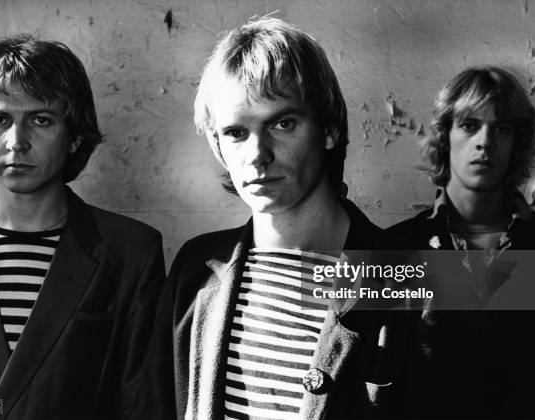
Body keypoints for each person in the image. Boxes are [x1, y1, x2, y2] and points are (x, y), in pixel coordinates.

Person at [141, 17, 415, 419]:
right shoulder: (194, 269)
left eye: (283, 124)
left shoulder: (406, 274)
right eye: (236, 132)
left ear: (329, 130)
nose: (258, 154)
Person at [0, 35, 165, 419]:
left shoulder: (131, 252)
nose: (16, 142)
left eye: (41, 120)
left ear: (75, 135)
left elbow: (139, 404)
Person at [388, 66, 535, 417]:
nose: (485, 141)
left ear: (515, 144)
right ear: (445, 135)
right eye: (469, 125)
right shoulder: (395, 248)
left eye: (502, 129)